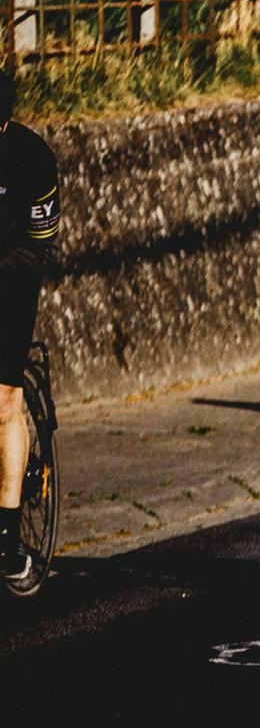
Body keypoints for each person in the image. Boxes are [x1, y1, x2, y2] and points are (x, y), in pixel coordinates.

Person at [0, 72, 60, 584]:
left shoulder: (31, 157)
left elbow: (42, 244)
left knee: (3, 401)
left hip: (10, 282)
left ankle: (9, 535)